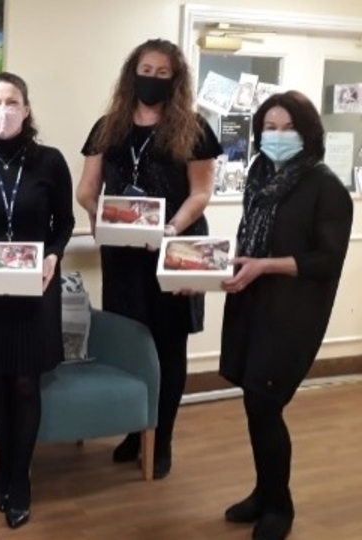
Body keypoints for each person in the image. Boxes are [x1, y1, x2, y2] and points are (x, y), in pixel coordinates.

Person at [76, 38, 222, 479]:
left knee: (168, 347)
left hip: (174, 252)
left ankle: (162, 440)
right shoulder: (108, 127)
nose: (152, 79)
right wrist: (96, 215)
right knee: (130, 343)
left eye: (163, 73)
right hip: (124, 254)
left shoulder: (193, 128)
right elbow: (87, 188)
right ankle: (134, 431)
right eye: (146, 69)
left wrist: (171, 230)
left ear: (175, 79)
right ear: (131, 72)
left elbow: (201, 193)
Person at [219, 91, 352, 540]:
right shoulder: (259, 176)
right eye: (269, 128)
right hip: (253, 302)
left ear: (307, 131)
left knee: (266, 403)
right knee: (254, 403)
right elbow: (250, 241)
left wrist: (265, 266)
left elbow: (325, 260)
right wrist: (218, 269)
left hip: (293, 312)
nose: (277, 136)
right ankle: (264, 491)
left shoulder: (325, 186)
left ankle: (280, 507)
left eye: (286, 128)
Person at [0, 71, 74, 529]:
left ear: (26, 109)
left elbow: (63, 222)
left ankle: (20, 478)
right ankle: (5, 467)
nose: (3, 109)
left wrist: (54, 257)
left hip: (36, 288)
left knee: (25, 380)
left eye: (12, 101)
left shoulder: (50, 162)